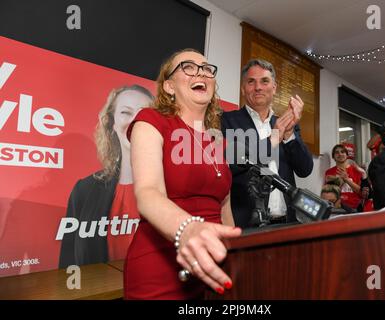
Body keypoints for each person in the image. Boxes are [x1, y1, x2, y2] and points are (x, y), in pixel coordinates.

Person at [125, 49, 241, 299]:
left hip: (214, 266)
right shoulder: (150, 120)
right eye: (188, 67)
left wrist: (236, 254)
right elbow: (148, 193)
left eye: (207, 69)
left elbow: (224, 206)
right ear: (168, 86)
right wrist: (188, 229)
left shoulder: (217, 140)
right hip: (161, 266)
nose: (201, 72)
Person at [59, 85, 154, 268]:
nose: (135, 120)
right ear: (113, 123)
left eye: (144, 112)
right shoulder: (84, 190)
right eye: (126, 112)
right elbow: (68, 263)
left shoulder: (173, 186)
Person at [221, 59, 313, 228]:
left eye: (264, 81)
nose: (258, 87)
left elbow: (305, 169)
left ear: (274, 88)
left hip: (287, 222)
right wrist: (275, 136)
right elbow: (235, 163)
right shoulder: (227, 121)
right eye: (251, 82)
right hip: (245, 223)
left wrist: (290, 134)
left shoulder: (286, 123)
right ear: (243, 88)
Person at [324, 144, 363, 209]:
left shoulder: (357, 171)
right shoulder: (329, 172)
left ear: (347, 155)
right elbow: (329, 195)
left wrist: (347, 179)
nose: (340, 154)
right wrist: (340, 181)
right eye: (337, 152)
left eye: (343, 152)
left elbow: (361, 192)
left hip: (354, 208)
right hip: (336, 208)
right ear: (333, 157)